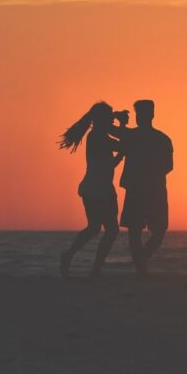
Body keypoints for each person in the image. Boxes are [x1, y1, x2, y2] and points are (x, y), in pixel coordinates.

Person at [56, 102, 128, 277]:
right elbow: (120, 150)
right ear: (102, 119)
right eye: (109, 116)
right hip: (100, 188)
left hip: (92, 186)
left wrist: (119, 127)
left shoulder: (96, 135)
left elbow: (117, 152)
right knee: (109, 229)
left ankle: (72, 257)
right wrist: (123, 126)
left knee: (95, 227)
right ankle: (95, 267)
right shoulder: (98, 137)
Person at [116, 99, 174, 275]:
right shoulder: (134, 135)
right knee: (136, 229)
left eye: (142, 114)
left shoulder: (160, 138)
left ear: (151, 115)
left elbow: (169, 166)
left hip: (150, 189)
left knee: (157, 229)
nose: (140, 117)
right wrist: (120, 122)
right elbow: (168, 166)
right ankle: (141, 265)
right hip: (144, 188)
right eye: (139, 114)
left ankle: (141, 259)